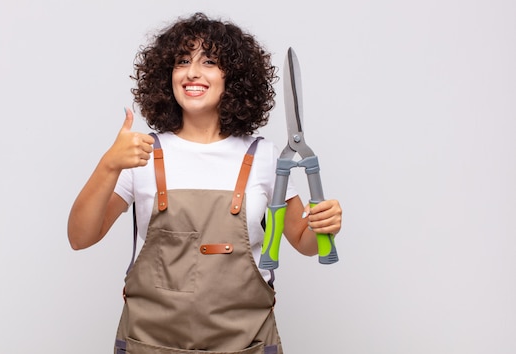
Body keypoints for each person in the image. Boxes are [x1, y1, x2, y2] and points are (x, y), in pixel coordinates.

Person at [67, 12, 342, 353]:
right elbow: (80, 237)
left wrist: (324, 225)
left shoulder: (265, 157)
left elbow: (304, 241)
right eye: (183, 61)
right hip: (150, 344)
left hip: (246, 344)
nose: (192, 72)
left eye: (209, 61)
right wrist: (108, 165)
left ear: (234, 78)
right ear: (167, 74)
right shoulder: (141, 153)